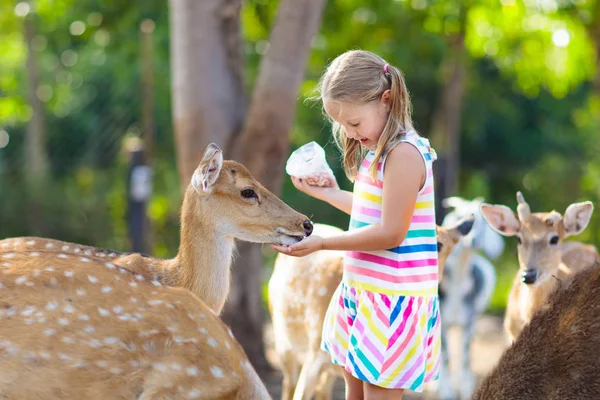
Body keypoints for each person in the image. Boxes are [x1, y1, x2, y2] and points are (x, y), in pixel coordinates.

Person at [271, 50, 440, 399]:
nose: (348, 132)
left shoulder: (404, 155)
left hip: (392, 303)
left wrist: (321, 244)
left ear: (386, 100)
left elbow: (392, 232)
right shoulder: (379, 152)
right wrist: (332, 194)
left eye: (354, 122)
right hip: (363, 294)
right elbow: (372, 213)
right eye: (342, 125)